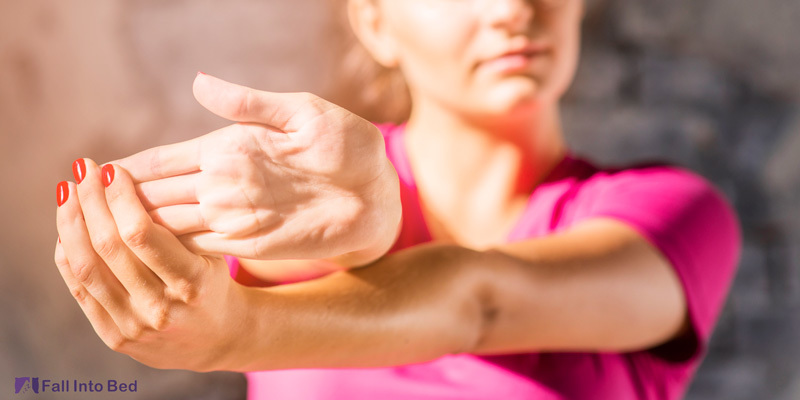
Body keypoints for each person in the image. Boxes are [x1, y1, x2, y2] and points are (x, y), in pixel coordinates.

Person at [53, 0, 741, 398]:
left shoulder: (675, 215)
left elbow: (480, 302)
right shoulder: (306, 189)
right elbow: (296, 261)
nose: (512, 10)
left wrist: (237, 330)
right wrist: (363, 236)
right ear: (376, 22)